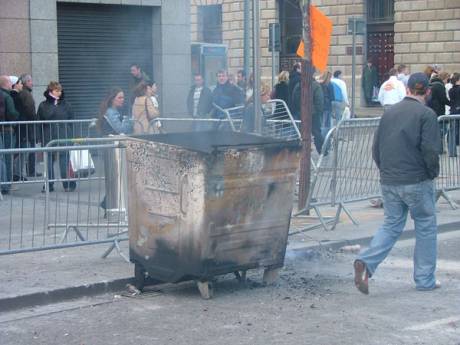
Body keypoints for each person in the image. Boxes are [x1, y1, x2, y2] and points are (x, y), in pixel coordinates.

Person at [354, 72, 441, 295]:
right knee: (425, 225)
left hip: (390, 179)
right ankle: (424, 279)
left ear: (408, 89)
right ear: (428, 92)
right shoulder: (426, 114)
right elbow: (430, 150)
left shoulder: (389, 113)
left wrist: (385, 170)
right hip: (416, 179)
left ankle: (366, 261)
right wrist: (432, 173)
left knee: (392, 224)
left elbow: (376, 148)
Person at [37, 81, 76, 192]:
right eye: (56, 90)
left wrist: (73, 137)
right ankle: (49, 185)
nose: (59, 92)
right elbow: (40, 120)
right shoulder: (43, 105)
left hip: (64, 135)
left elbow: (72, 120)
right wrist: (39, 137)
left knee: (64, 160)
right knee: (48, 161)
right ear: (50, 91)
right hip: (48, 135)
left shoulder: (67, 105)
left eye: (60, 90)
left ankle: (67, 183)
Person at [291, 74, 324, 153]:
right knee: (316, 132)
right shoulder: (316, 85)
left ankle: (303, 150)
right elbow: (319, 100)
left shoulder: (298, 85)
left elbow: (294, 98)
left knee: (302, 133)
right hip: (314, 113)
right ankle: (322, 150)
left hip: (301, 113)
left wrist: (298, 110)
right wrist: (318, 111)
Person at [0, 75, 20, 195]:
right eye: (9, 82)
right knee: (7, 157)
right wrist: (17, 116)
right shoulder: (7, 96)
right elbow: (12, 113)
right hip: (7, 129)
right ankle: (6, 185)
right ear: (5, 84)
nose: (10, 84)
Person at [18, 74, 38, 176]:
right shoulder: (26, 94)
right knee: (31, 148)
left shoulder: (24, 93)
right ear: (25, 82)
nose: (32, 83)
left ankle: (30, 170)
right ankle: (31, 171)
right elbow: (30, 110)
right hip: (28, 126)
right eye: (30, 81)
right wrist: (35, 119)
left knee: (29, 148)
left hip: (27, 125)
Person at [447, 72, 460, 157]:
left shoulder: (450, 90)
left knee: (452, 131)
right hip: (458, 111)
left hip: (453, 111)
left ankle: (452, 152)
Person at [320, 71, 335, 139]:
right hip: (327, 105)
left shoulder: (320, 84)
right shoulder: (330, 84)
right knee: (327, 122)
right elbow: (332, 97)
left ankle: (321, 135)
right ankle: (326, 136)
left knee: (322, 121)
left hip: (321, 105)